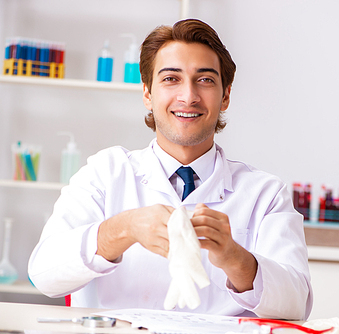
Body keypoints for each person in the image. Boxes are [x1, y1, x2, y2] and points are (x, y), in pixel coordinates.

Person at [28, 19, 312, 320]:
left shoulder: (264, 193)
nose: (188, 96)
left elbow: (297, 304)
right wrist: (123, 228)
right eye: (170, 79)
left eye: (204, 80)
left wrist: (234, 257)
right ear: (148, 93)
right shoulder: (106, 173)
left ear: (225, 96)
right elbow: (44, 274)